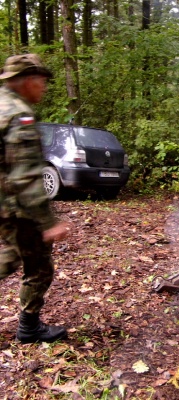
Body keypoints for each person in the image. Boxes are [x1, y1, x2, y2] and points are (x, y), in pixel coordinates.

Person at [0, 54, 70, 343]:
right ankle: (29, 327)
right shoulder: (19, 115)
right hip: (13, 205)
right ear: (28, 80)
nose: (44, 87)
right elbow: (26, 175)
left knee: (16, 255)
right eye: (41, 81)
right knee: (34, 263)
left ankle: (29, 326)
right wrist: (48, 222)